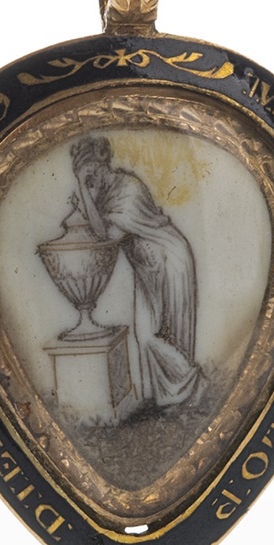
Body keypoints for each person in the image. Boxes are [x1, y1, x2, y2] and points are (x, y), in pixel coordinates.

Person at [71, 135, 203, 407]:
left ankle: (190, 387)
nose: (91, 180)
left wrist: (84, 191)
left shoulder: (128, 190)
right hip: (145, 267)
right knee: (146, 335)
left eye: (92, 174)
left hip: (168, 259)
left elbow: (105, 235)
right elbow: (95, 228)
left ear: (102, 165)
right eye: (86, 177)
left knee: (166, 333)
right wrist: (85, 195)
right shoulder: (106, 194)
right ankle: (171, 396)